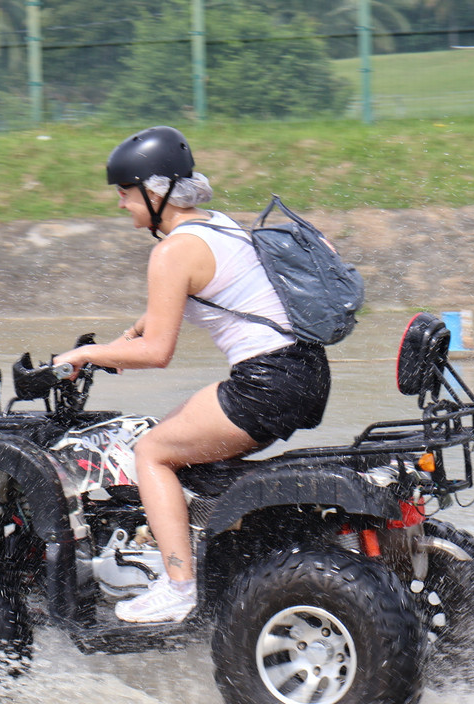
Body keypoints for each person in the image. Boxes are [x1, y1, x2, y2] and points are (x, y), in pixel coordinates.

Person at [53, 125, 331, 624]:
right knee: (175, 442)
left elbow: (159, 351)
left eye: (124, 193)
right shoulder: (218, 225)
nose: (121, 205)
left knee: (152, 452)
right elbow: (164, 317)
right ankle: (214, 543)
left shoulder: (171, 251)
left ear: (154, 191)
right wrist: (119, 344)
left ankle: (179, 586)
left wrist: (88, 354)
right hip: (305, 372)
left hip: (265, 381)